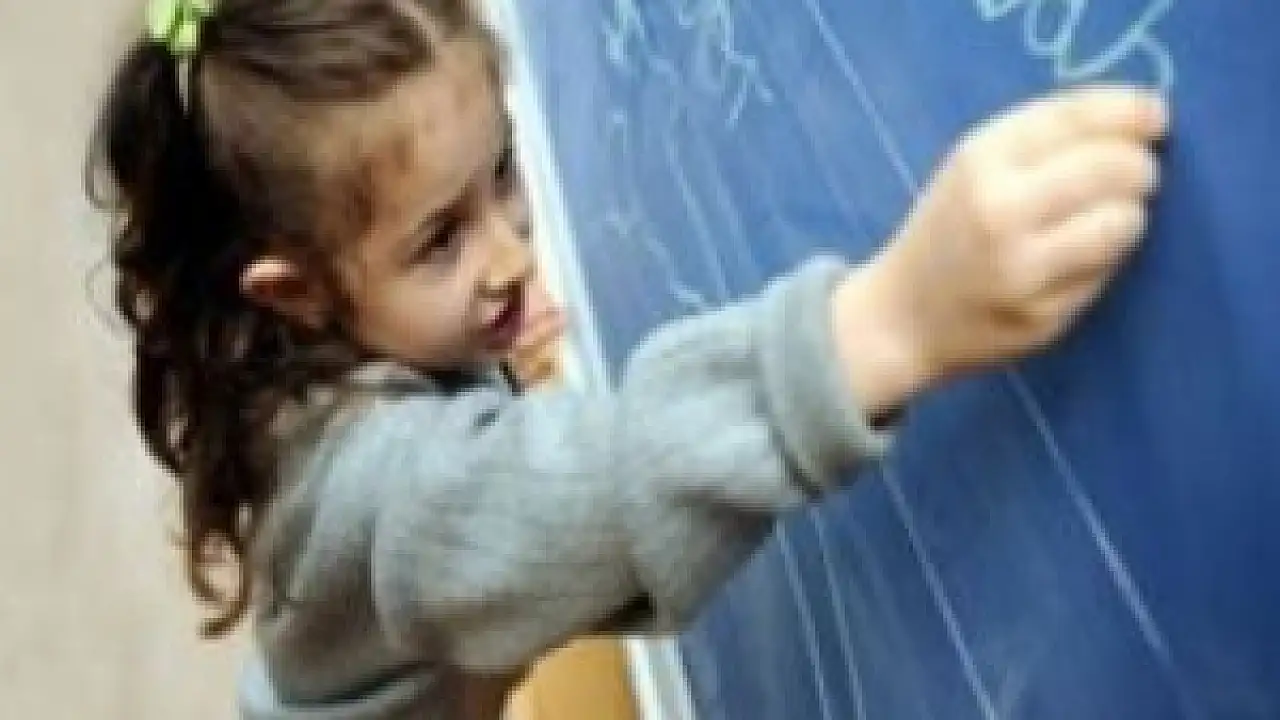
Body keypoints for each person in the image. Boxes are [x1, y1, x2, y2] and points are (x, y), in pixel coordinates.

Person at [86, 0, 1167, 716]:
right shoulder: (376, 494)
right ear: (297, 292)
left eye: (503, 174)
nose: (511, 254)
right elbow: (566, 491)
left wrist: (478, 354)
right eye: (440, 238)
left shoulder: (308, 337)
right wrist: (881, 329)